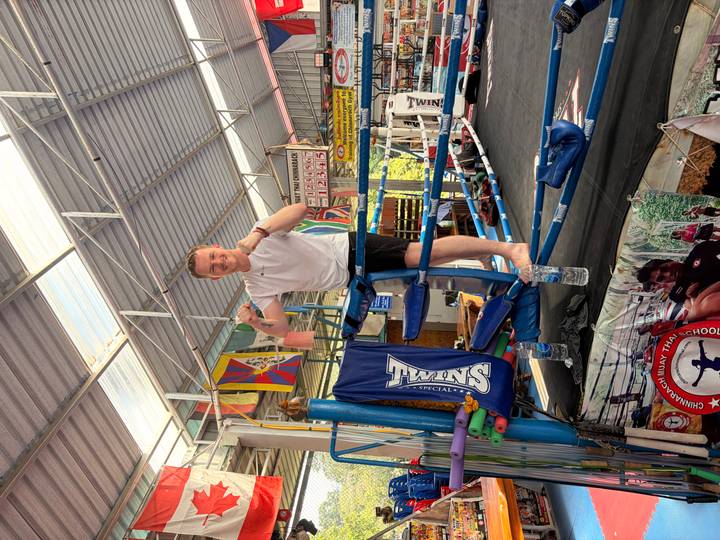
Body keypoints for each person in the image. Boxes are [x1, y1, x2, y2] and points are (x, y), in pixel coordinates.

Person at [186, 203, 531, 338]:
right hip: (353, 280)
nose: (220, 262)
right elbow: (284, 327)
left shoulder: (260, 231)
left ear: (217, 247)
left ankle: (508, 249)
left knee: (421, 255)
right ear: (217, 276)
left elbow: (300, 210)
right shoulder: (255, 289)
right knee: (425, 268)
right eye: (213, 268)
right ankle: (489, 264)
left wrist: (257, 235)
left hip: (348, 249)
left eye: (214, 256)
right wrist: (256, 323)